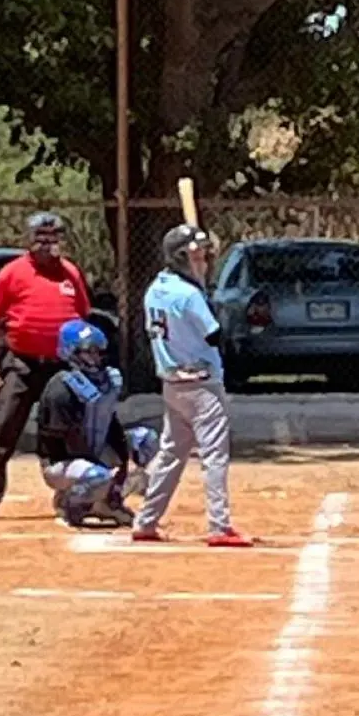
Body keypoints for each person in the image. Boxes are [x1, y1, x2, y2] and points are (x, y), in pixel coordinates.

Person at [132, 224, 251, 547]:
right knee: (214, 455)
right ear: (180, 257)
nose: (203, 260)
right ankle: (219, 525)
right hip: (202, 382)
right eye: (196, 255)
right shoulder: (189, 294)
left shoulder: (156, 288)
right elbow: (214, 335)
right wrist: (212, 303)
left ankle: (146, 520)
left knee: (172, 454)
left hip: (172, 382)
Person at [0, 212, 90, 520]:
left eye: (54, 238)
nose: (48, 245)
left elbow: (82, 316)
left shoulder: (70, 274)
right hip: (22, 362)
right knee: (5, 426)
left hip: (61, 366)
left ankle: (71, 496)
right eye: (41, 238)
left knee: (65, 432)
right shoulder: (12, 273)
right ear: (29, 241)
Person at [37, 319, 159, 528]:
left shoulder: (106, 381)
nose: (95, 358)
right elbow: (65, 440)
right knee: (97, 476)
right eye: (88, 352)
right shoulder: (61, 387)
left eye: (97, 352)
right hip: (62, 462)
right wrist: (102, 467)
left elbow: (111, 423)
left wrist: (122, 465)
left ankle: (109, 503)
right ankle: (69, 503)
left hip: (95, 450)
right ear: (71, 352)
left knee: (146, 440)